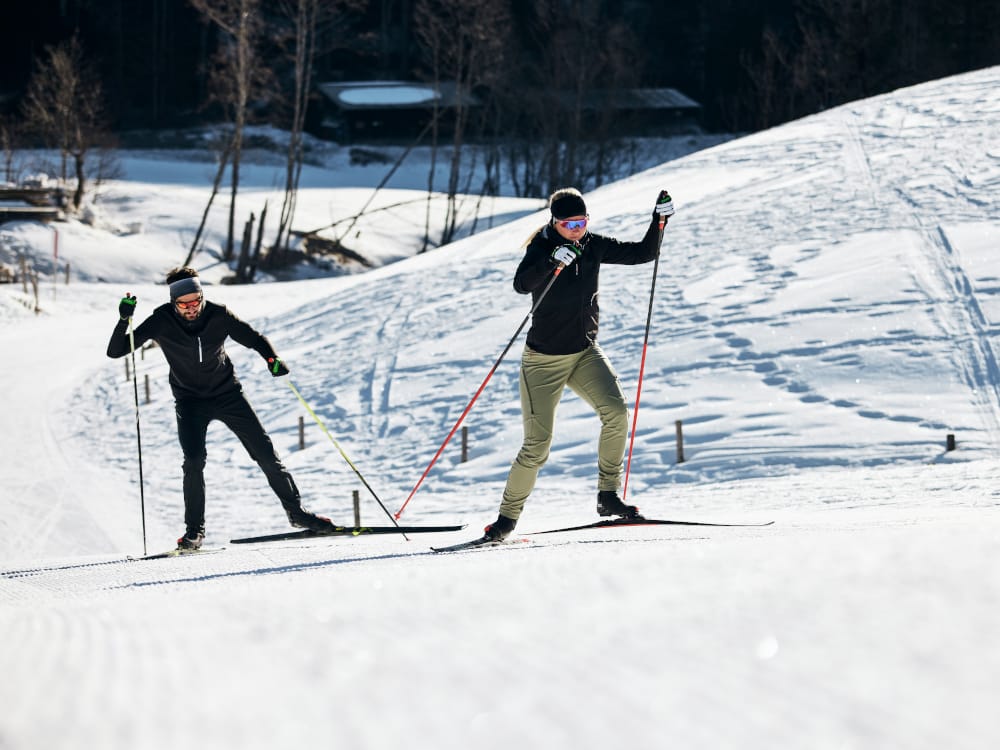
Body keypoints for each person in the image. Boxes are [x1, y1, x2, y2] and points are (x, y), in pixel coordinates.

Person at [484, 187, 674, 541]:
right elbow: (521, 284)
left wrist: (658, 221)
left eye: (582, 221)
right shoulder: (539, 248)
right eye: (569, 223)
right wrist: (553, 261)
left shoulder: (593, 244)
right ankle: (506, 520)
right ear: (554, 223)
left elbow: (643, 254)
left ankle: (608, 496)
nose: (576, 228)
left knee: (616, 413)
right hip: (543, 361)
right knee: (537, 445)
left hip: (584, 353)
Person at [107, 266, 336, 549]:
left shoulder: (218, 314)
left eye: (196, 301)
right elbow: (116, 350)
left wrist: (272, 359)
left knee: (265, 453)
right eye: (184, 304)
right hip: (190, 401)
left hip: (228, 394)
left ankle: (297, 514)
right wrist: (123, 319)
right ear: (173, 302)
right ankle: (195, 531)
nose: (192, 309)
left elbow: (253, 338)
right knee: (193, 462)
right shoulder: (161, 321)